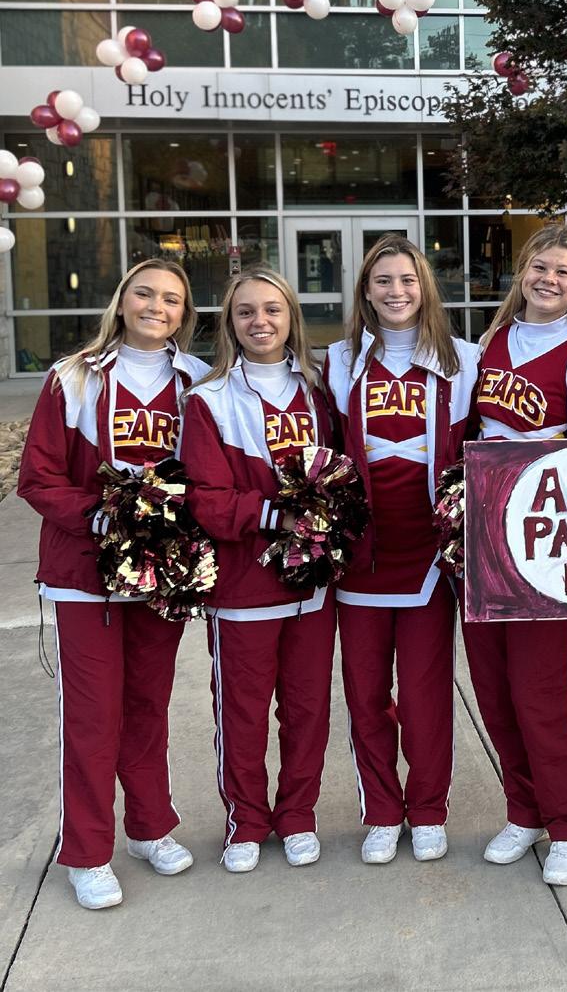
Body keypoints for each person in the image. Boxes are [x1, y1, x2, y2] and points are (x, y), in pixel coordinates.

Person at [18, 259, 208, 910]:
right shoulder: (73, 376)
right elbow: (38, 477)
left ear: (184, 313)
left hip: (163, 573)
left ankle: (149, 827)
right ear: (122, 301)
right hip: (86, 574)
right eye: (145, 293)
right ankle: (87, 851)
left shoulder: (196, 381)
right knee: (93, 715)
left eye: (172, 299)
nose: (157, 306)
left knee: (148, 706)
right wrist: (103, 515)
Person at [461, 222, 567, 887]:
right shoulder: (490, 342)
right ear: (522, 271)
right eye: (539, 267)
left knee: (541, 690)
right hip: (480, 535)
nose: (547, 279)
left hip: (542, 540)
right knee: (493, 688)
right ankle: (525, 810)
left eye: (562, 273)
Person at [323, 234, 477, 865]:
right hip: (361, 552)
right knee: (365, 694)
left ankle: (430, 807)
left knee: (423, 692)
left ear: (425, 287)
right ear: (365, 290)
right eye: (383, 280)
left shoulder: (463, 359)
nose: (396, 291)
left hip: (429, 553)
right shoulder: (337, 360)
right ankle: (383, 811)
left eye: (408, 280)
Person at [180, 266, 336, 874]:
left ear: (291, 316)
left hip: (312, 588)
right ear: (229, 323)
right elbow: (207, 500)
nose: (260, 321)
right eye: (245, 312)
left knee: (307, 709)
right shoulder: (209, 399)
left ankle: (297, 815)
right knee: (242, 712)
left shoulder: (321, 390)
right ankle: (245, 821)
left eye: (272, 309)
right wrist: (279, 514)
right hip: (243, 587)